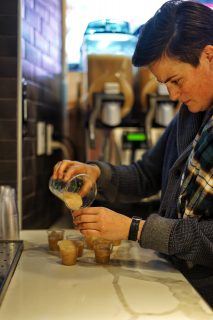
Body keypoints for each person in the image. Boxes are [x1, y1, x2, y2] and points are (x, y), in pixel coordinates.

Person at [52, 0, 213, 307]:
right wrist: (97, 172)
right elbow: (146, 175)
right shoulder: (191, 114)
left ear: (209, 56)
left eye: (176, 81)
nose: (173, 96)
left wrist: (135, 229)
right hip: (176, 279)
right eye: (165, 84)